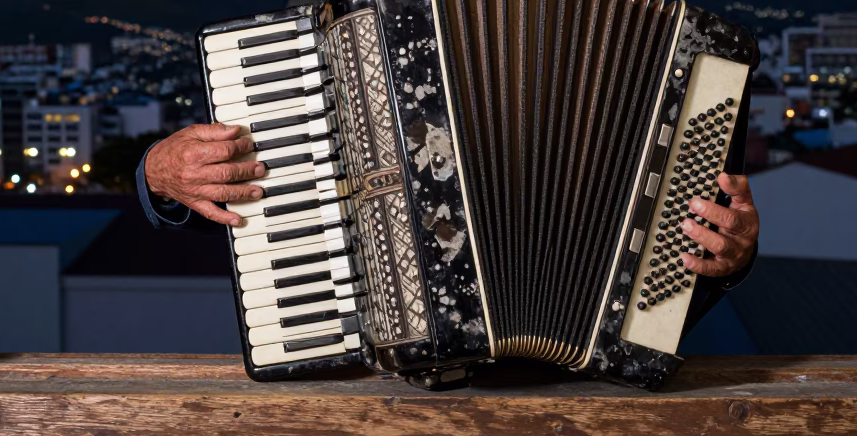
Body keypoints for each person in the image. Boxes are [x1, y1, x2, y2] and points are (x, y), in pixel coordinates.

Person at [137, 122, 758, 327]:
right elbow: (240, 189)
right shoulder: (312, 100)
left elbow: (698, 261)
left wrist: (730, 260)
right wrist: (158, 172)